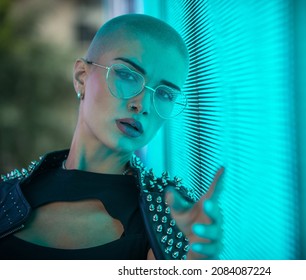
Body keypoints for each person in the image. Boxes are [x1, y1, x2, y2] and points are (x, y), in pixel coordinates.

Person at [0, 14, 224, 260]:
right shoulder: (7, 195)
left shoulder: (166, 215)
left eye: (165, 94)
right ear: (81, 78)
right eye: (127, 75)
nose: (142, 105)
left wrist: (195, 262)